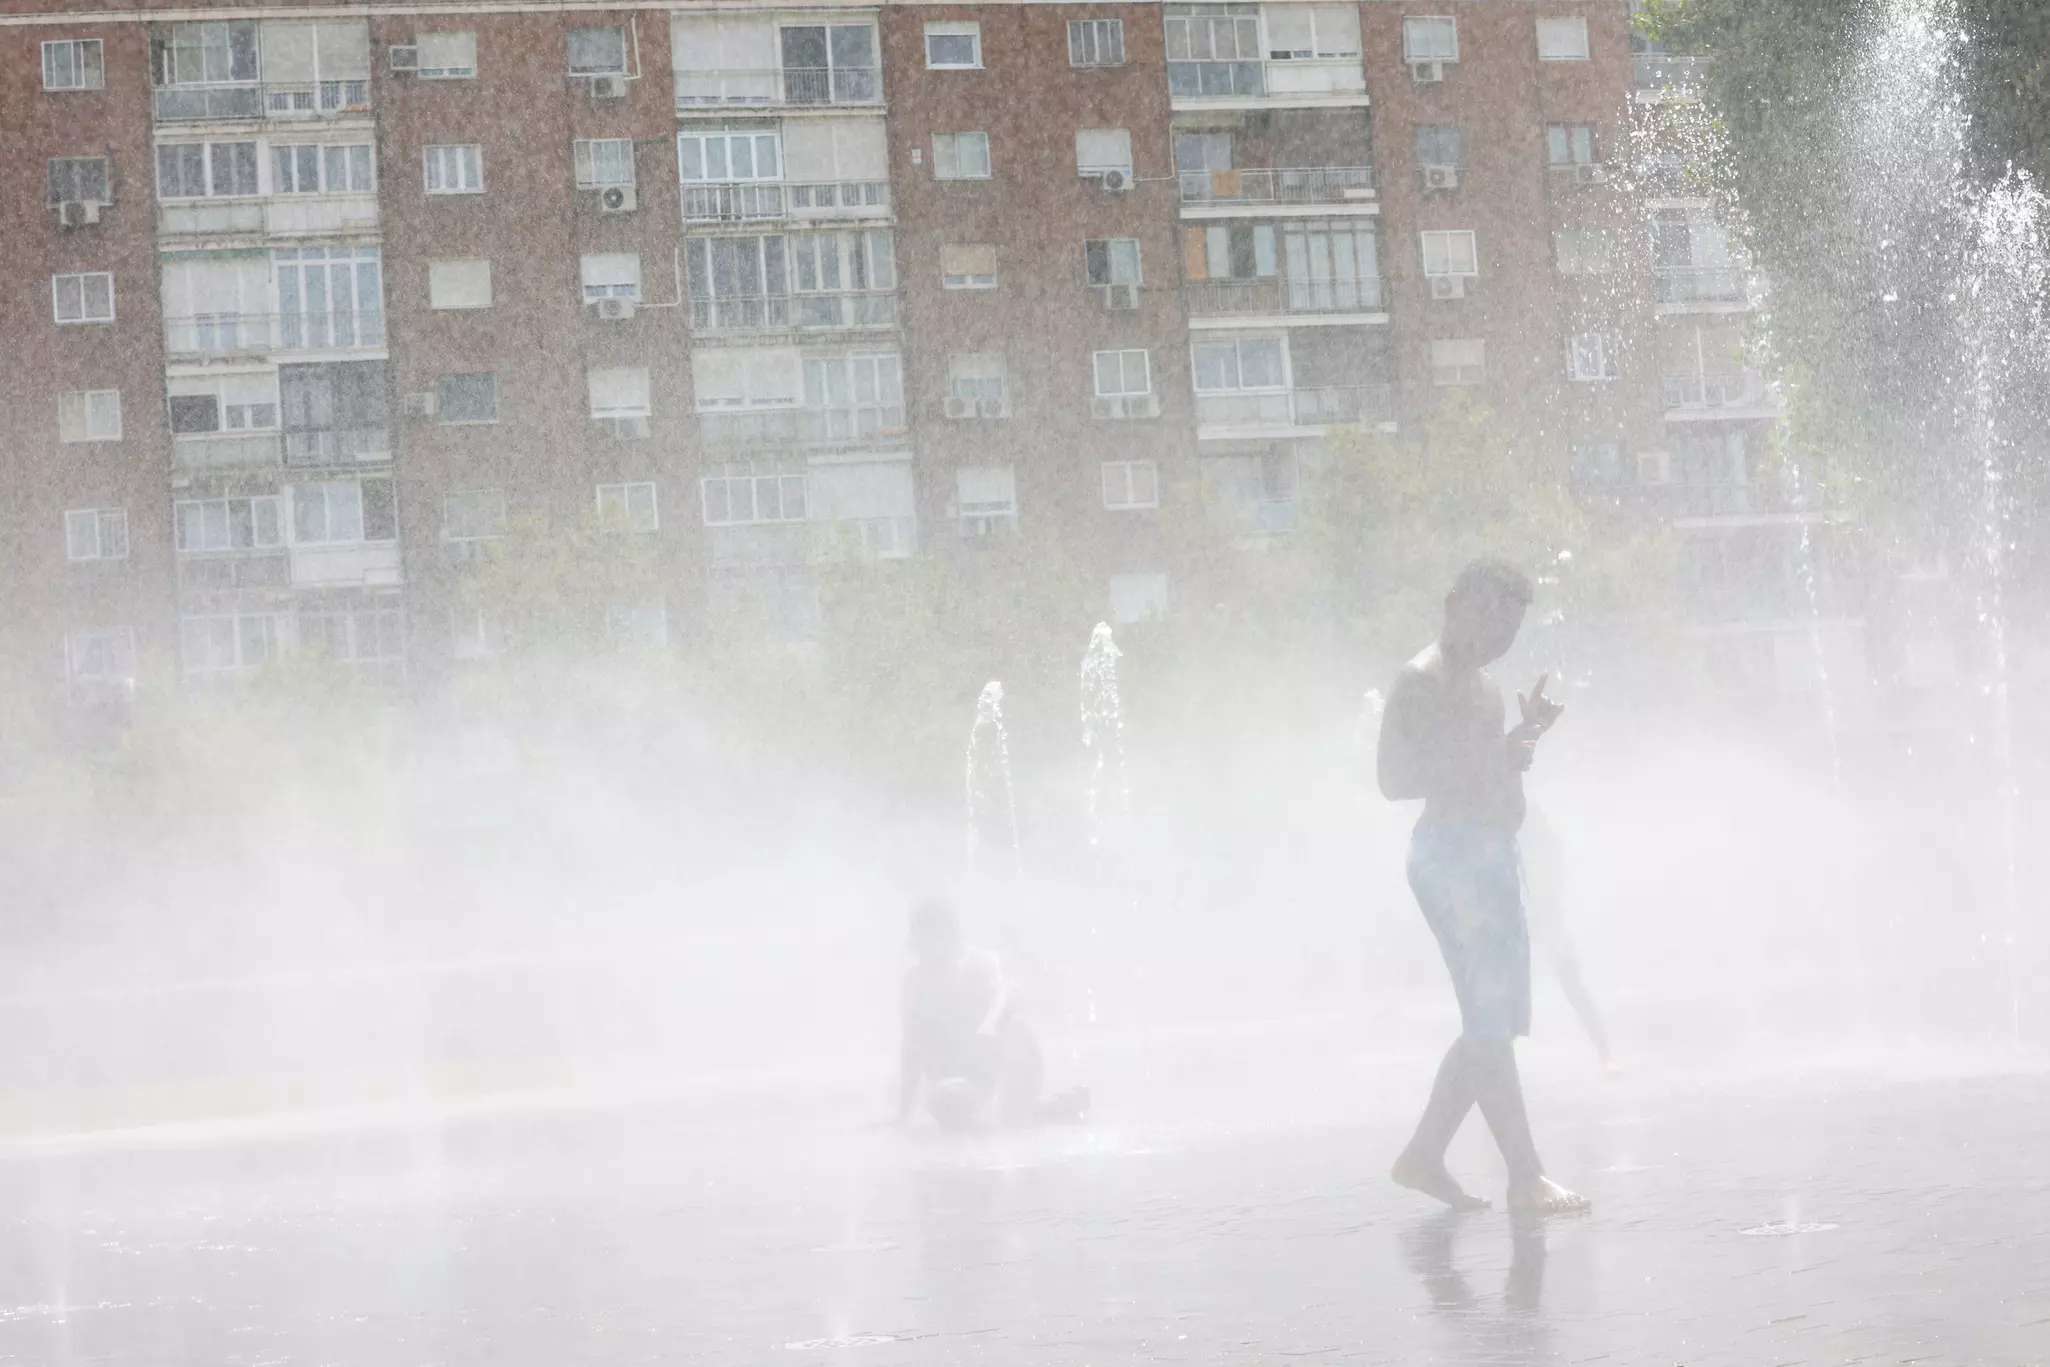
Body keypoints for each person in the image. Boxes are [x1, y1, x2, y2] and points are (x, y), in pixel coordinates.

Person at [1376, 559, 1589, 1214]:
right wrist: (1490, 756)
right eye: (1491, 617)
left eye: (1512, 627)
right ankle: (1525, 1175)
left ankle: (1423, 1155)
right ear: (1454, 602)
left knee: (1493, 1021)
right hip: (1447, 858)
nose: (1499, 636)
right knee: (1489, 1021)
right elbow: (1392, 777)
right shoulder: (1421, 680)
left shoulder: (1490, 690)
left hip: (1492, 855)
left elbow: (1494, 777)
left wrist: (1521, 739)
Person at [896, 899, 1089, 1130]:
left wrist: (989, 1027)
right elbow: (911, 1048)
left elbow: (1006, 995)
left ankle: (1025, 1107)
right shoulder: (914, 983)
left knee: (1018, 1027)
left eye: (927, 941)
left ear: (947, 937)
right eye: (919, 944)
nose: (922, 953)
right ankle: (1034, 1110)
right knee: (943, 1098)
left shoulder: (980, 963)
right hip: (956, 1083)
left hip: (992, 1067)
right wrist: (903, 1112)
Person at [1521, 806, 1621, 1074]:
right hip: (1531, 923)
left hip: (1539, 923)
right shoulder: (1534, 844)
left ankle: (1605, 1052)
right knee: (1571, 989)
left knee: (1572, 988)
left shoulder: (1536, 846)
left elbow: (1552, 887)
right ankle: (1606, 1053)